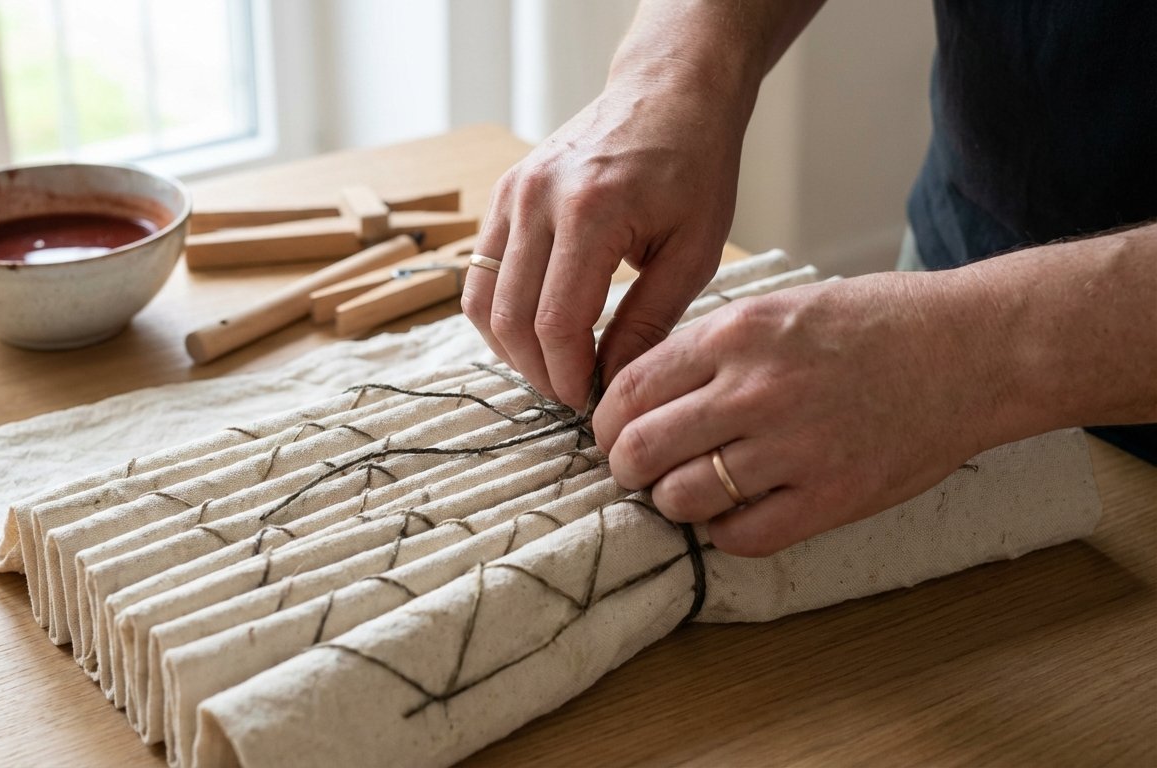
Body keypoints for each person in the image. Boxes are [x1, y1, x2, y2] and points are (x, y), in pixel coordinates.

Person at [460, 0, 1157, 558]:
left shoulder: (954, 349)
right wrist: (673, 72)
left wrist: (965, 353)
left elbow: (955, 350)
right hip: (966, 252)